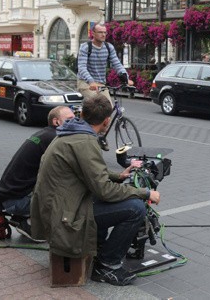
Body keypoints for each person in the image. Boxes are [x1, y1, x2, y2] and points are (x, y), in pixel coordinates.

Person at [31, 94, 161, 286]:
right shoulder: (85, 141)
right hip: (64, 218)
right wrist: (146, 193)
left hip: (57, 209)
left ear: (82, 113)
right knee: (135, 208)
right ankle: (107, 265)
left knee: (115, 198)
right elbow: (105, 191)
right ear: (107, 121)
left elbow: (90, 169)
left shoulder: (71, 132)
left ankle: (99, 248)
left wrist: (120, 176)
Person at [0, 106, 75, 241]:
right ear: (56, 122)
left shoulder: (44, 134)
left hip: (7, 195)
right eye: (70, 119)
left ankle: (27, 217)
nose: (75, 121)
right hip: (17, 201)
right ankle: (30, 225)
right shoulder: (55, 139)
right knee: (67, 194)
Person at [77, 23, 133, 104]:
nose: (103, 35)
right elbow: (82, 67)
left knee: (108, 107)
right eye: (100, 32)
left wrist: (126, 78)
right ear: (93, 33)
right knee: (97, 105)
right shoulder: (85, 47)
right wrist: (91, 81)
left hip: (100, 83)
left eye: (104, 32)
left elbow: (117, 64)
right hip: (85, 83)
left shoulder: (109, 47)